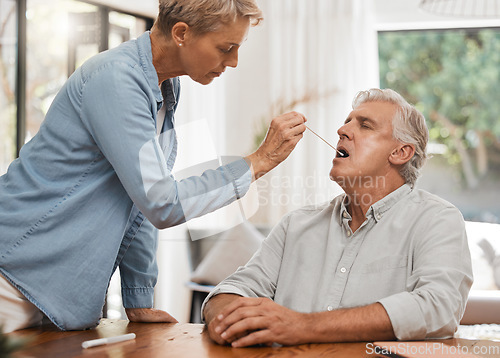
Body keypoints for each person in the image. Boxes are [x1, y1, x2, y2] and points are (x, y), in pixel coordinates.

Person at [0, 0, 307, 333]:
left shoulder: (165, 86)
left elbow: (138, 201)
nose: (232, 62)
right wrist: (257, 162)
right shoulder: (117, 79)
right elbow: (162, 201)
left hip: (47, 287)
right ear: (181, 33)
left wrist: (138, 297)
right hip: (14, 269)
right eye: (226, 47)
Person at [202, 88, 473, 347]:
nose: (342, 130)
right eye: (347, 122)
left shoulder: (437, 220)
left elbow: (438, 307)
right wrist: (226, 319)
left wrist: (303, 326)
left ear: (401, 152)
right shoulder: (296, 224)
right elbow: (230, 291)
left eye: (365, 125)